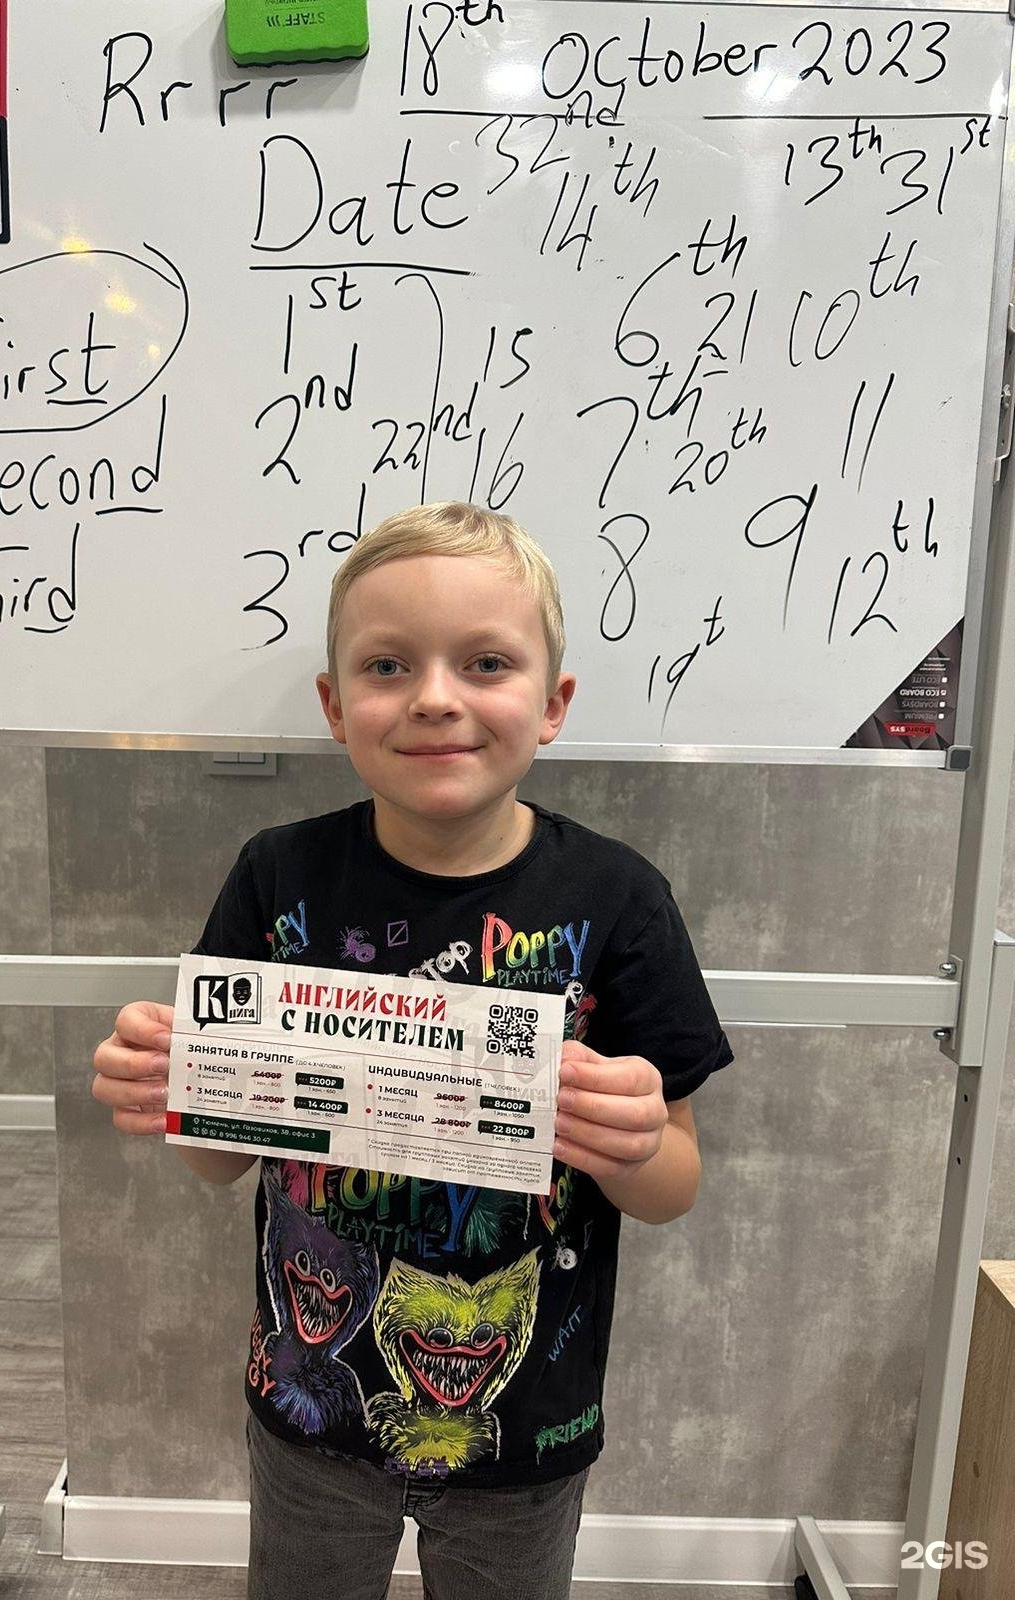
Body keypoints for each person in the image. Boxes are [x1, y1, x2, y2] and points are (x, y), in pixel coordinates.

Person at [91, 500, 734, 1600]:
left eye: (486, 662)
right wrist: (169, 1092)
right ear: (336, 707)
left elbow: (674, 1184)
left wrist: (632, 1142)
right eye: (389, 666)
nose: (436, 697)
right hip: (308, 1407)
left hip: (524, 1431)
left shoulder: (619, 898)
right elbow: (216, 1159)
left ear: (553, 703)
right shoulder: (277, 874)